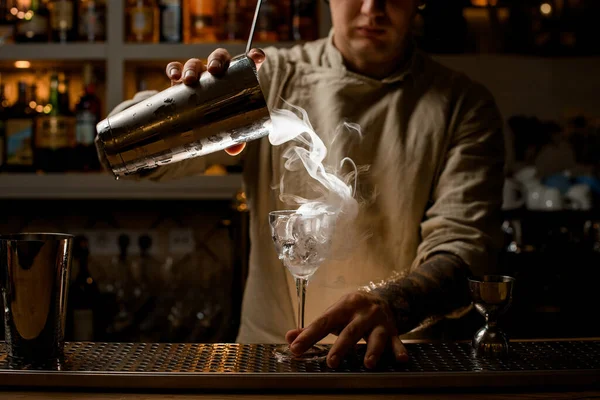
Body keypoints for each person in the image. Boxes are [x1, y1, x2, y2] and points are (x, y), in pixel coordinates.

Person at [98, 0, 505, 370]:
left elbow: (465, 251)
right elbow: (124, 159)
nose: (372, 8)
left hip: (393, 361)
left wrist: (392, 303)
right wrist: (180, 111)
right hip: (266, 360)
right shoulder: (269, 76)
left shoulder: (463, 106)